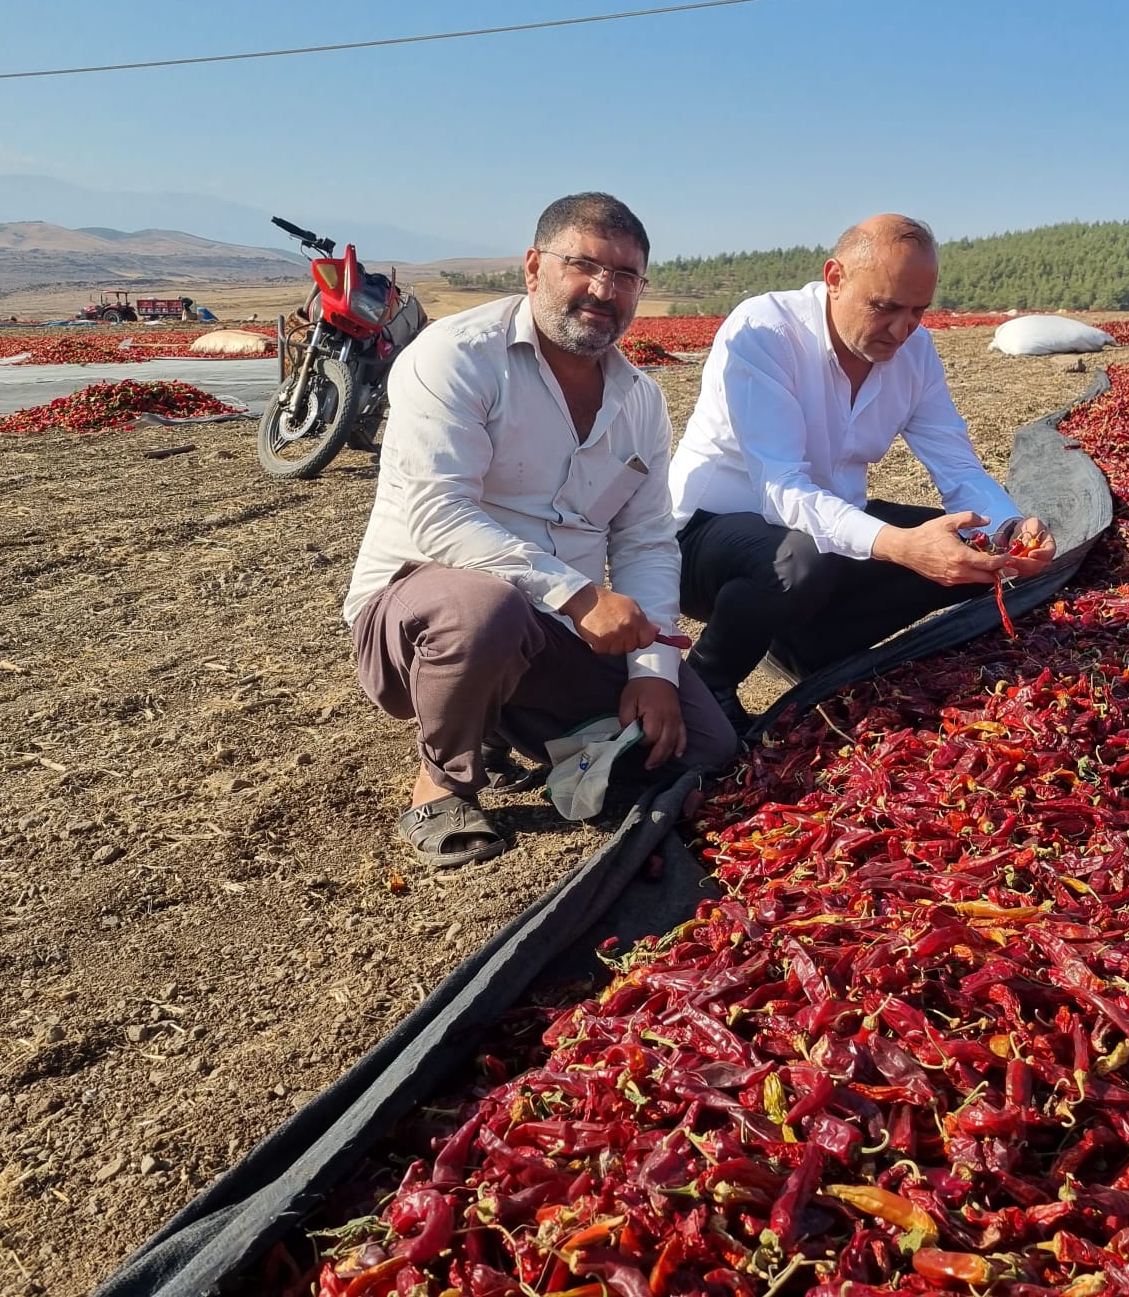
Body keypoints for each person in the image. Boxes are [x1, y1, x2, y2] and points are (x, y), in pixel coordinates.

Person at [343, 193, 739, 868]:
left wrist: (654, 671)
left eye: (625, 276)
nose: (603, 290)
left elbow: (644, 541)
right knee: (486, 610)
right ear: (533, 267)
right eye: (583, 265)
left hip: (550, 631)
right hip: (423, 616)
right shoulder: (458, 358)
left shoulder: (638, 400)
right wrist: (579, 596)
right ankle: (441, 784)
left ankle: (509, 720)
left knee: (703, 748)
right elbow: (439, 518)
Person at [669, 213, 1057, 726]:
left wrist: (1008, 529)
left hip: (827, 526)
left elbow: (956, 464)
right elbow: (781, 489)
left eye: (918, 310)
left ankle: (808, 649)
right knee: (801, 561)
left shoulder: (914, 352)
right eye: (885, 307)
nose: (902, 329)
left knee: (973, 550)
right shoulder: (767, 331)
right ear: (835, 279)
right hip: (706, 539)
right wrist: (902, 546)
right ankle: (706, 684)